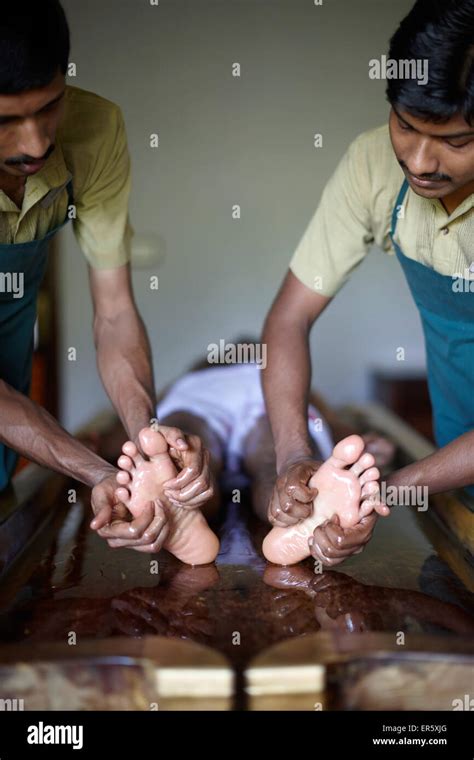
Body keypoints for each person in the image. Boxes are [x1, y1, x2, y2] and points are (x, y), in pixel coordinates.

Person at [261, 0, 474, 567]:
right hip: (459, 460)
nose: (421, 162)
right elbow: (289, 318)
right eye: (406, 126)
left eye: (455, 141)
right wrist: (291, 458)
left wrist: (387, 489)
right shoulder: (373, 167)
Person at [0, 1, 212, 554]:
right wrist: (95, 472)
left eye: (49, 108)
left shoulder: (94, 130)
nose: (35, 144)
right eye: (3, 122)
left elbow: (115, 312)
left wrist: (148, 435)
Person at [109, 356, 393, 565]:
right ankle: (303, 512)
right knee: (277, 462)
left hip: (201, 398)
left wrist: (104, 443)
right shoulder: (283, 372)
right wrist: (363, 443)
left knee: (185, 443)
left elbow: (140, 421)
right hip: (271, 405)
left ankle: (179, 508)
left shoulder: (197, 370)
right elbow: (331, 419)